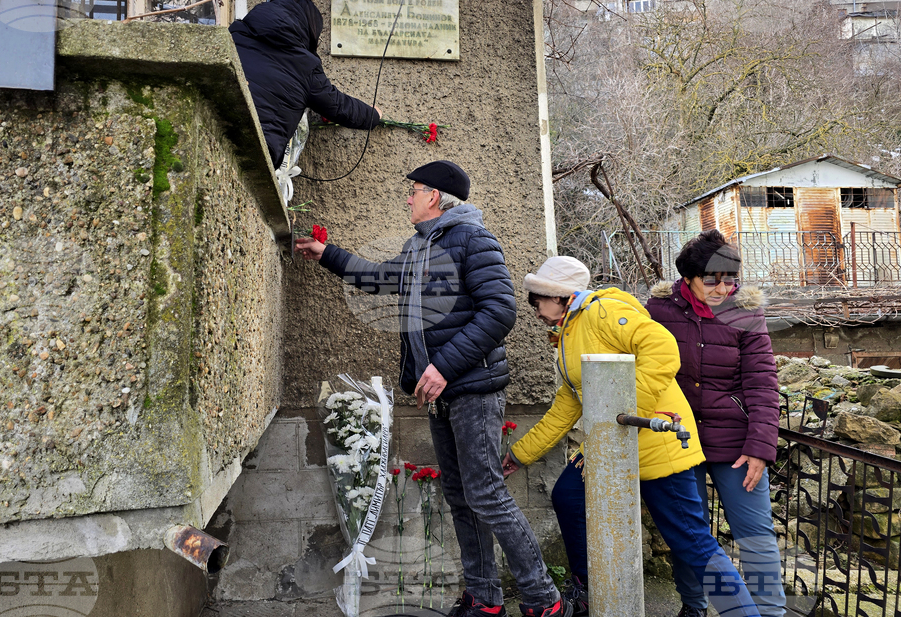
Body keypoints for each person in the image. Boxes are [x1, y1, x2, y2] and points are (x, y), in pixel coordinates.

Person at [294, 161, 568, 617]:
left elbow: (500, 311)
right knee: (461, 497)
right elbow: (380, 277)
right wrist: (327, 253)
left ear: (435, 197)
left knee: (487, 495)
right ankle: (485, 600)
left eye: (414, 191)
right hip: (443, 395)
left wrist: (442, 365)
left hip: (473, 390)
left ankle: (544, 600)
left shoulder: (473, 240)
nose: (408, 198)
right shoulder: (420, 247)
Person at [502, 256, 763, 617]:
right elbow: (568, 403)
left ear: (561, 296)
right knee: (569, 495)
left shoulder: (601, 313)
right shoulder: (568, 333)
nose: (534, 309)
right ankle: (588, 586)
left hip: (656, 441)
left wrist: (623, 417)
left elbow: (663, 349)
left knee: (692, 542)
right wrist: (519, 454)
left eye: (537, 300)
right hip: (616, 443)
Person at [646, 230, 785, 617]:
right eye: (712, 279)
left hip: (736, 443)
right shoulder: (657, 312)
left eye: (730, 279)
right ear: (688, 276)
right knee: (691, 535)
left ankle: (768, 612)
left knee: (756, 536)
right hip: (678, 441)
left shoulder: (746, 312)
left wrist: (760, 447)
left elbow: (762, 380)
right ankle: (694, 608)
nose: (723, 288)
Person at [229, 0, 381, 168]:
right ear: (310, 28)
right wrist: (373, 115)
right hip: (253, 153)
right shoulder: (304, 64)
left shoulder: (235, 34)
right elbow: (338, 106)